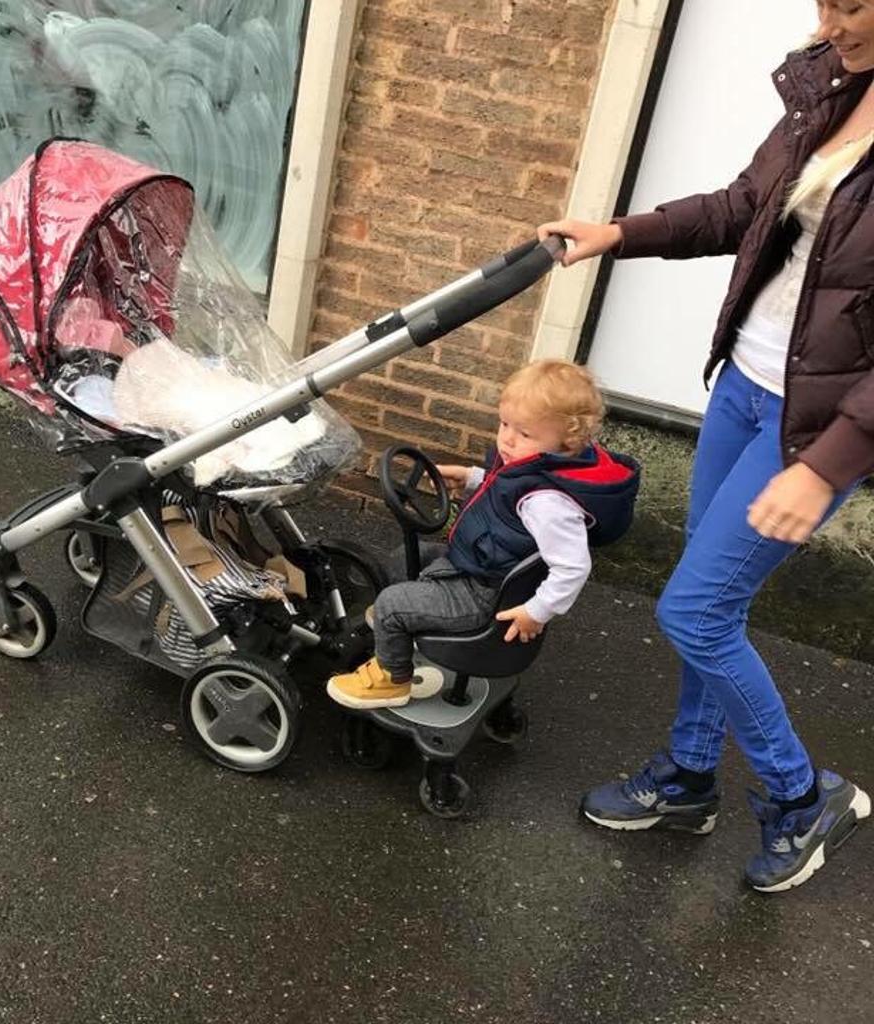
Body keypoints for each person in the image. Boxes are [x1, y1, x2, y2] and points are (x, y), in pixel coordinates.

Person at [536, 1, 874, 893]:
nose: (832, 21)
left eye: (857, 5)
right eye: (825, 0)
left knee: (693, 610)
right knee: (709, 602)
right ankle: (689, 778)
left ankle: (804, 798)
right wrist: (619, 232)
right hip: (740, 392)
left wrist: (828, 464)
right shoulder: (833, 86)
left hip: (809, 428)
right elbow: (742, 209)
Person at [326, 359, 638, 710]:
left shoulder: (548, 504)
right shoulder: (540, 464)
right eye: (505, 423)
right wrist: (471, 476)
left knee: (389, 604)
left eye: (524, 433)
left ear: (567, 439)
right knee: (410, 556)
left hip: (484, 595)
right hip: (482, 566)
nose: (507, 437)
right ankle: (399, 624)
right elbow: (505, 487)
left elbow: (573, 567)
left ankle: (391, 678)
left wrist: (537, 611)